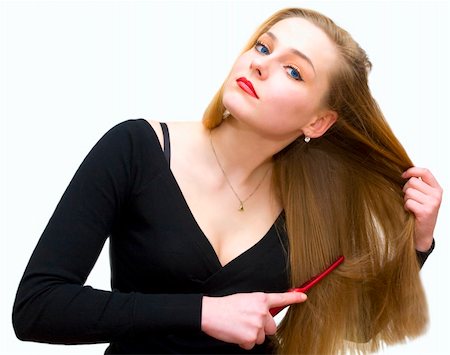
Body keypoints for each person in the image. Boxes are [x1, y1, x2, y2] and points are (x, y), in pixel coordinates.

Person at [12, 7, 442, 355]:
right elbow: (38, 308)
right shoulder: (135, 148)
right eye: (262, 47)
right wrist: (202, 312)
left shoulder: (310, 204)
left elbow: (360, 326)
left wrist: (417, 243)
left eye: (294, 71)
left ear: (318, 121)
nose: (260, 64)